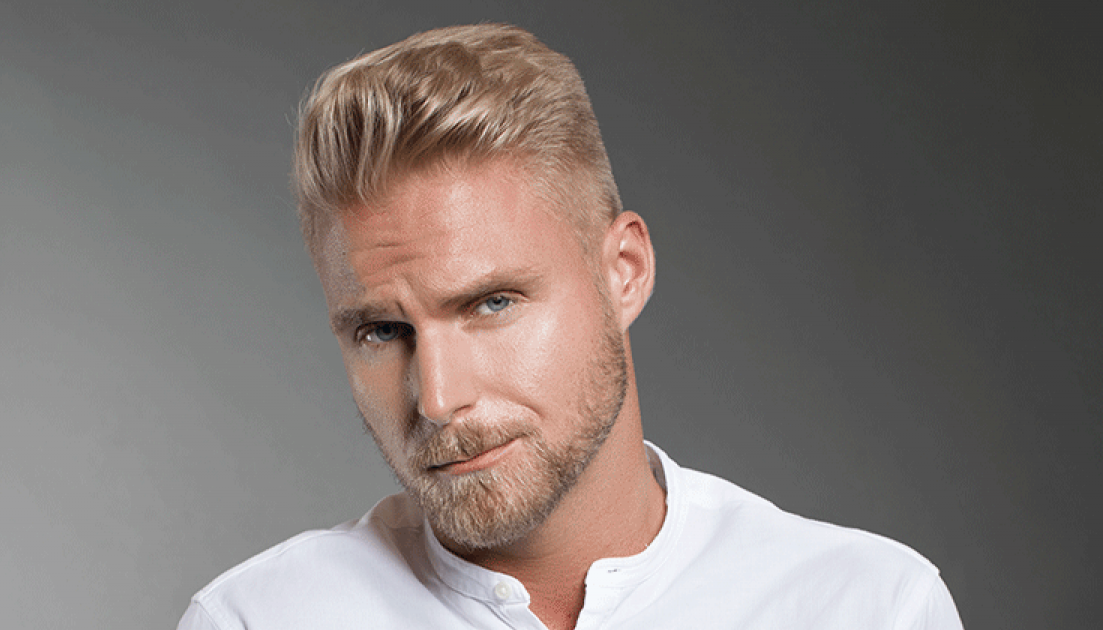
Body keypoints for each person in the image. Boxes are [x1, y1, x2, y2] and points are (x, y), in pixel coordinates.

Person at [178, 23, 963, 630]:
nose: (439, 399)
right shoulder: (257, 621)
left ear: (624, 271)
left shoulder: (867, 607)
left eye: (492, 304)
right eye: (382, 331)